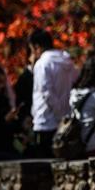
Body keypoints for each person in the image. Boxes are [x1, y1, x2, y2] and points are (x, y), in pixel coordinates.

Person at [31, 28, 78, 157]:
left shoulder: (42, 64)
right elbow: (75, 82)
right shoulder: (67, 61)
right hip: (66, 121)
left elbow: (46, 92)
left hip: (46, 120)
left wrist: (58, 113)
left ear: (37, 47)